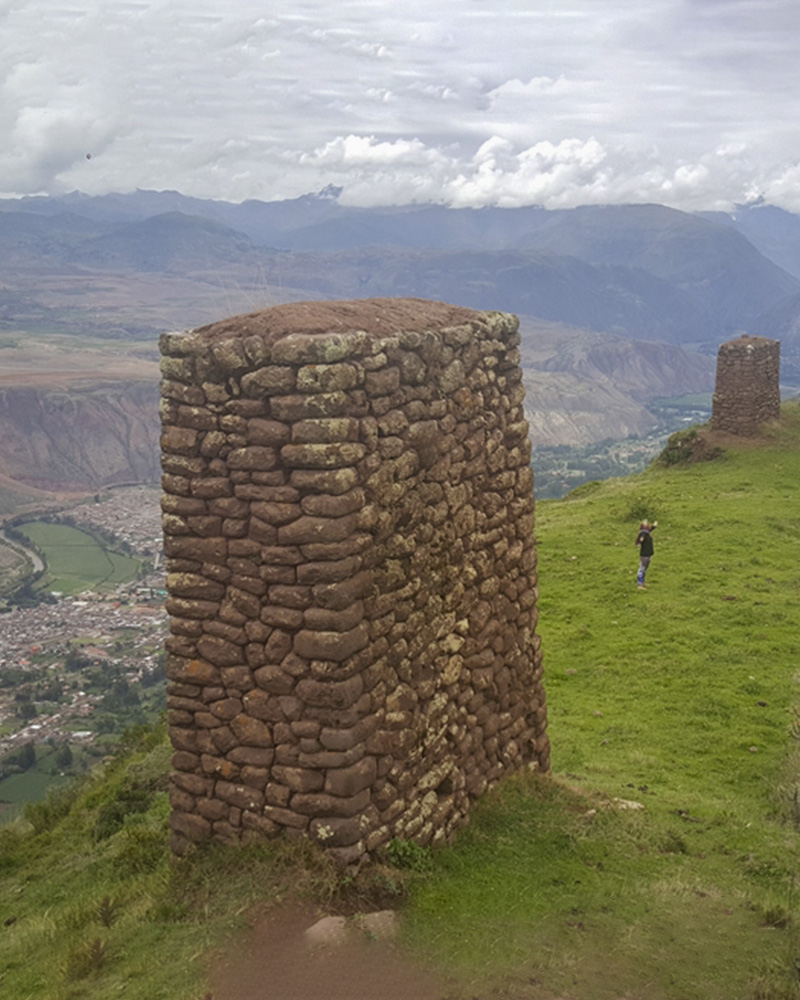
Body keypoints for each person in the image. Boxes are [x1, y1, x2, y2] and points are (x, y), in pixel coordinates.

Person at [635, 519, 658, 589]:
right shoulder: (643, 534)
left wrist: (654, 526)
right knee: (642, 568)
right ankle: (640, 584)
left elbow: (650, 530)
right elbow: (640, 539)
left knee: (644, 568)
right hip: (644, 554)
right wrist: (640, 540)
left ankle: (642, 582)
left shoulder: (646, 532)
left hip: (648, 554)